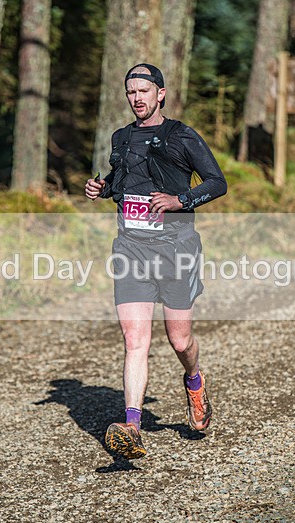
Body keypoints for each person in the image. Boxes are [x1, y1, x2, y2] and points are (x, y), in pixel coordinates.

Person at [84, 63, 227, 459]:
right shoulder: (121, 137)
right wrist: (102, 187)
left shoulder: (181, 136)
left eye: (144, 91)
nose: (137, 98)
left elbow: (217, 182)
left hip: (176, 247)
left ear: (160, 93)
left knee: (179, 339)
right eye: (131, 92)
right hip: (130, 248)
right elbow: (123, 181)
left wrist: (180, 201)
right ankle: (132, 427)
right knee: (135, 340)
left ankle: (194, 380)